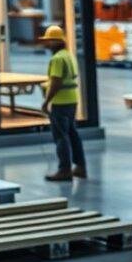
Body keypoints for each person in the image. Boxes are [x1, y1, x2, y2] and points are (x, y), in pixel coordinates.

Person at [40, 25, 87, 182]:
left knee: (60, 136)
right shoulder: (68, 55)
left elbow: (56, 81)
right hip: (72, 99)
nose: (46, 44)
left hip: (60, 102)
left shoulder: (57, 58)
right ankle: (80, 166)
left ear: (56, 41)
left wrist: (46, 101)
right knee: (72, 133)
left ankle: (64, 170)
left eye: (49, 41)